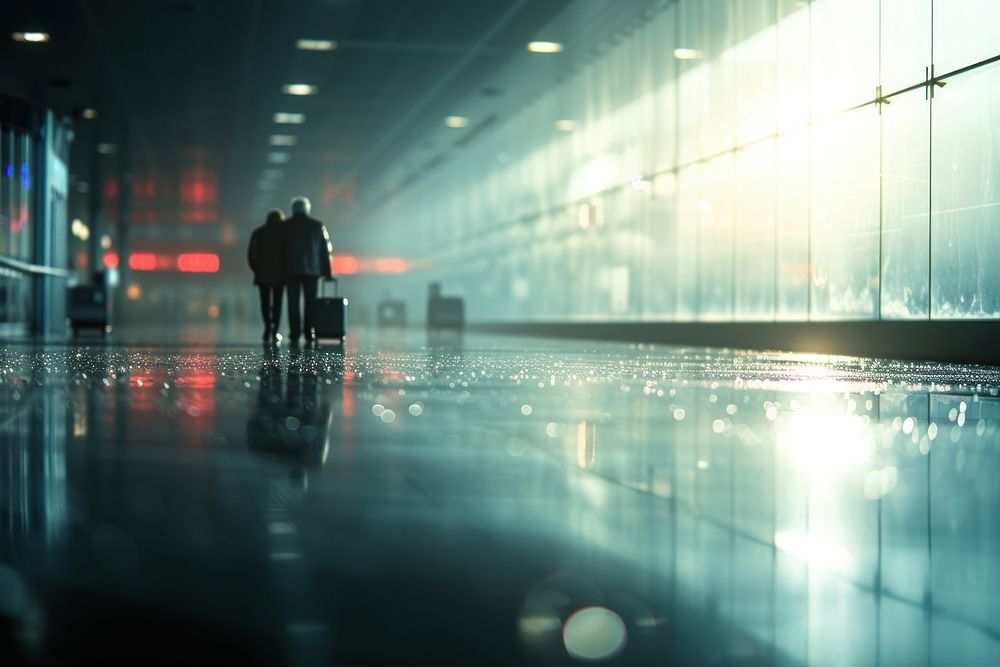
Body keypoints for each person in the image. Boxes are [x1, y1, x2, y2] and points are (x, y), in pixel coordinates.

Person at [282, 196, 333, 344]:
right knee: (310, 302)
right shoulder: (317, 226)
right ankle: (309, 331)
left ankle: (294, 332)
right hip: (312, 271)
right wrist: (327, 272)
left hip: (290, 270)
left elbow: (280, 250)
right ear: (307, 209)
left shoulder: (286, 226)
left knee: (293, 302)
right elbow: (325, 250)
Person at [247, 208, 286, 342]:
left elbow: (251, 254)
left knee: (265, 302)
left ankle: (267, 326)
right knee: (277, 303)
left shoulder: (258, 232)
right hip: (281, 274)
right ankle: (275, 330)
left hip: (262, 274)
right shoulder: (285, 234)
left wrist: (256, 269)